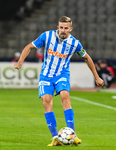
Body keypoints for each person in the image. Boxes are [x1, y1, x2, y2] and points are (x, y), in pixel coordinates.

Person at [14, 16, 104, 146]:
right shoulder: (47, 36)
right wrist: (20, 61)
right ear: (58, 27)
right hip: (46, 75)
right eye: (61, 27)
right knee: (46, 102)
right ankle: (55, 137)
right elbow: (29, 46)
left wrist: (96, 77)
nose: (63, 30)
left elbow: (87, 58)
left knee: (65, 97)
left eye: (66, 28)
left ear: (70, 29)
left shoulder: (74, 43)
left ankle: (72, 134)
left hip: (62, 74)